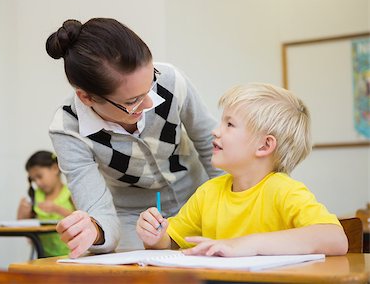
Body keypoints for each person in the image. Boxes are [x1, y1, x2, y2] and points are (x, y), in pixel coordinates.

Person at [45, 18, 223, 258]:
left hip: (199, 201)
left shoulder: (170, 81)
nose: (150, 103)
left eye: (150, 85)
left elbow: (210, 145)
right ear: (86, 98)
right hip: (132, 220)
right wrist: (94, 230)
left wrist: (233, 202)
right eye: (132, 101)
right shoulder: (68, 129)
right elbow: (99, 213)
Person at [136, 83, 348, 256]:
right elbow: (171, 243)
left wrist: (247, 244)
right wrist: (156, 237)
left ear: (264, 146)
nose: (215, 131)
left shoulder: (283, 190)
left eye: (230, 124)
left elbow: (336, 239)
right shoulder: (208, 193)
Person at [17, 150, 75, 257]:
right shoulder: (35, 196)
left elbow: (82, 220)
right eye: (34, 180)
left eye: (40, 176)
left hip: (70, 255)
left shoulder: (70, 193)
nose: (38, 183)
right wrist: (22, 213)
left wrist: (57, 209)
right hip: (43, 256)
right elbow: (24, 228)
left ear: (54, 168)